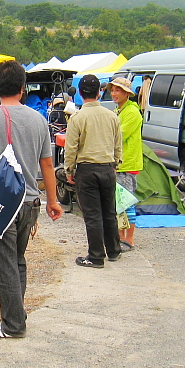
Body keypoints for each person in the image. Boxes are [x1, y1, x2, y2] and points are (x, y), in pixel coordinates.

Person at [0, 60, 63, 338]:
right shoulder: (38, 119)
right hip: (30, 202)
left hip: (0, 205)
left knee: (3, 263)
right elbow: (47, 165)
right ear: (23, 88)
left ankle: (12, 325)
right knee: (16, 259)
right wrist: (53, 200)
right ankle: (16, 314)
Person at [65, 74, 123, 269]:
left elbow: (71, 147)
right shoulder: (112, 116)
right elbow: (118, 144)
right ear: (99, 92)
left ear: (80, 93)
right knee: (109, 211)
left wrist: (69, 169)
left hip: (87, 169)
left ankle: (96, 256)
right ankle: (114, 250)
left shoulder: (77, 118)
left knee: (92, 215)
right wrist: (116, 164)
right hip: (107, 167)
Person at [106, 77, 143, 251]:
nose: (114, 93)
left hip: (127, 164)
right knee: (119, 203)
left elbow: (119, 135)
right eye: (113, 90)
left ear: (127, 93)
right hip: (120, 164)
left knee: (126, 203)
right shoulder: (119, 110)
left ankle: (129, 238)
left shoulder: (132, 112)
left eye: (118, 90)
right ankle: (121, 237)